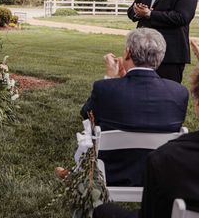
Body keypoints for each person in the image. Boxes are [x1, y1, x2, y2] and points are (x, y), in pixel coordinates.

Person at [80, 27, 188, 186]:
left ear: (127, 53)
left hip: (110, 172)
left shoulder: (105, 88)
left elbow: (86, 115)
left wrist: (110, 79)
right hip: (159, 175)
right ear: (160, 57)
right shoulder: (179, 92)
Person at [92, 66, 199, 218]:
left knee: (103, 212)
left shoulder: (167, 159)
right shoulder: (177, 92)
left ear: (197, 106)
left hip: (118, 173)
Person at [128, 0, 197, 83]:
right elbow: (131, 11)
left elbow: (182, 17)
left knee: (167, 94)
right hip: (142, 53)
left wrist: (149, 14)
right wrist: (137, 12)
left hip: (170, 54)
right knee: (140, 92)